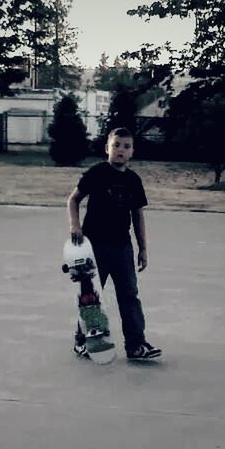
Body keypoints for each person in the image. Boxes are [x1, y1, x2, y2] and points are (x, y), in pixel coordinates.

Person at [67, 127, 161, 361]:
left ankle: (136, 345)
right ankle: (84, 341)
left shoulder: (133, 180)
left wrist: (143, 248)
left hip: (122, 247)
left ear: (132, 152)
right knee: (91, 295)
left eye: (126, 146)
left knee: (129, 295)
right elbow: (73, 199)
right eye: (116, 145)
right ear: (107, 148)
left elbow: (138, 215)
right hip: (95, 245)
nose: (121, 150)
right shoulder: (97, 173)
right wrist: (75, 226)